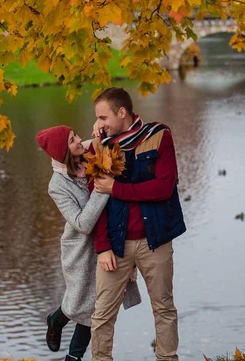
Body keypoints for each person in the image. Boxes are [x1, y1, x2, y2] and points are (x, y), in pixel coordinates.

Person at [89, 87, 187, 361]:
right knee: (102, 314)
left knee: (164, 308)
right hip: (114, 246)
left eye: (103, 117)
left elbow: (164, 188)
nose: (100, 123)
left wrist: (116, 188)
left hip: (154, 241)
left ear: (122, 112)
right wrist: (102, 247)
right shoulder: (101, 147)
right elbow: (95, 204)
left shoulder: (159, 137)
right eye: (98, 118)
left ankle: (167, 359)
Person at [36, 125, 141, 361]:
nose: (79, 141)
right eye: (73, 139)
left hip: (108, 240)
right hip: (80, 249)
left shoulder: (87, 154)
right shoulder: (57, 185)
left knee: (95, 305)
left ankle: (72, 357)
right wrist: (104, 188)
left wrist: (104, 125)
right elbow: (81, 224)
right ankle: (56, 320)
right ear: (64, 150)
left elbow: (109, 139)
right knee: (82, 303)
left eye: (76, 136)